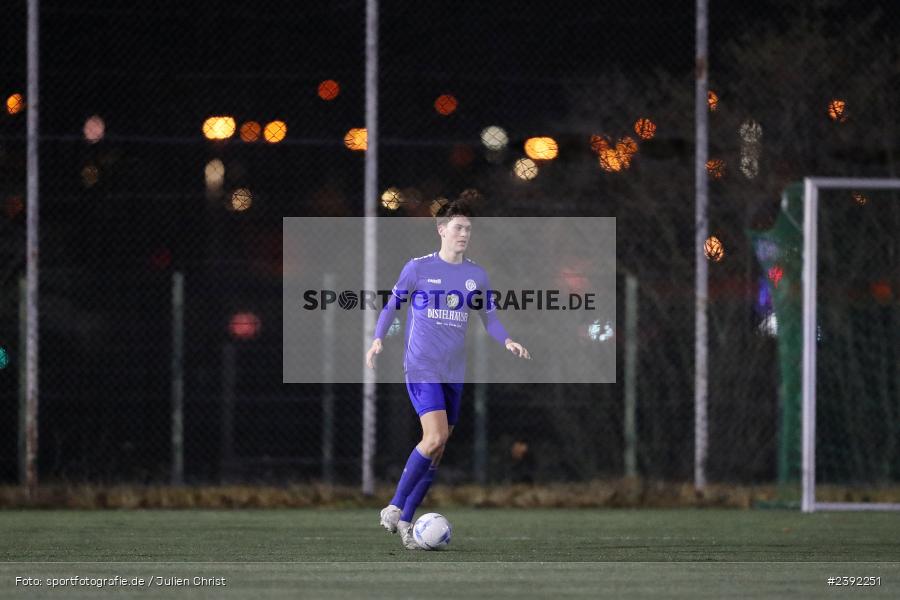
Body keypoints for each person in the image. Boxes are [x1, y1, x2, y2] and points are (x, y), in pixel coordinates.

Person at [366, 200, 530, 549]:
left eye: (468, 229)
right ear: (441, 230)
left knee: (438, 450)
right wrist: (378, 338)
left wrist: (509, 340)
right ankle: (394, 507)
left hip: (454, 372)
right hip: (422, 365)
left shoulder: (476, 275)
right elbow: (393, 305)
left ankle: (408, 523)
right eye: (458, 227)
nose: (464, 234)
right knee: (435, 437)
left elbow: (490, 318)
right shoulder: (418, 268)